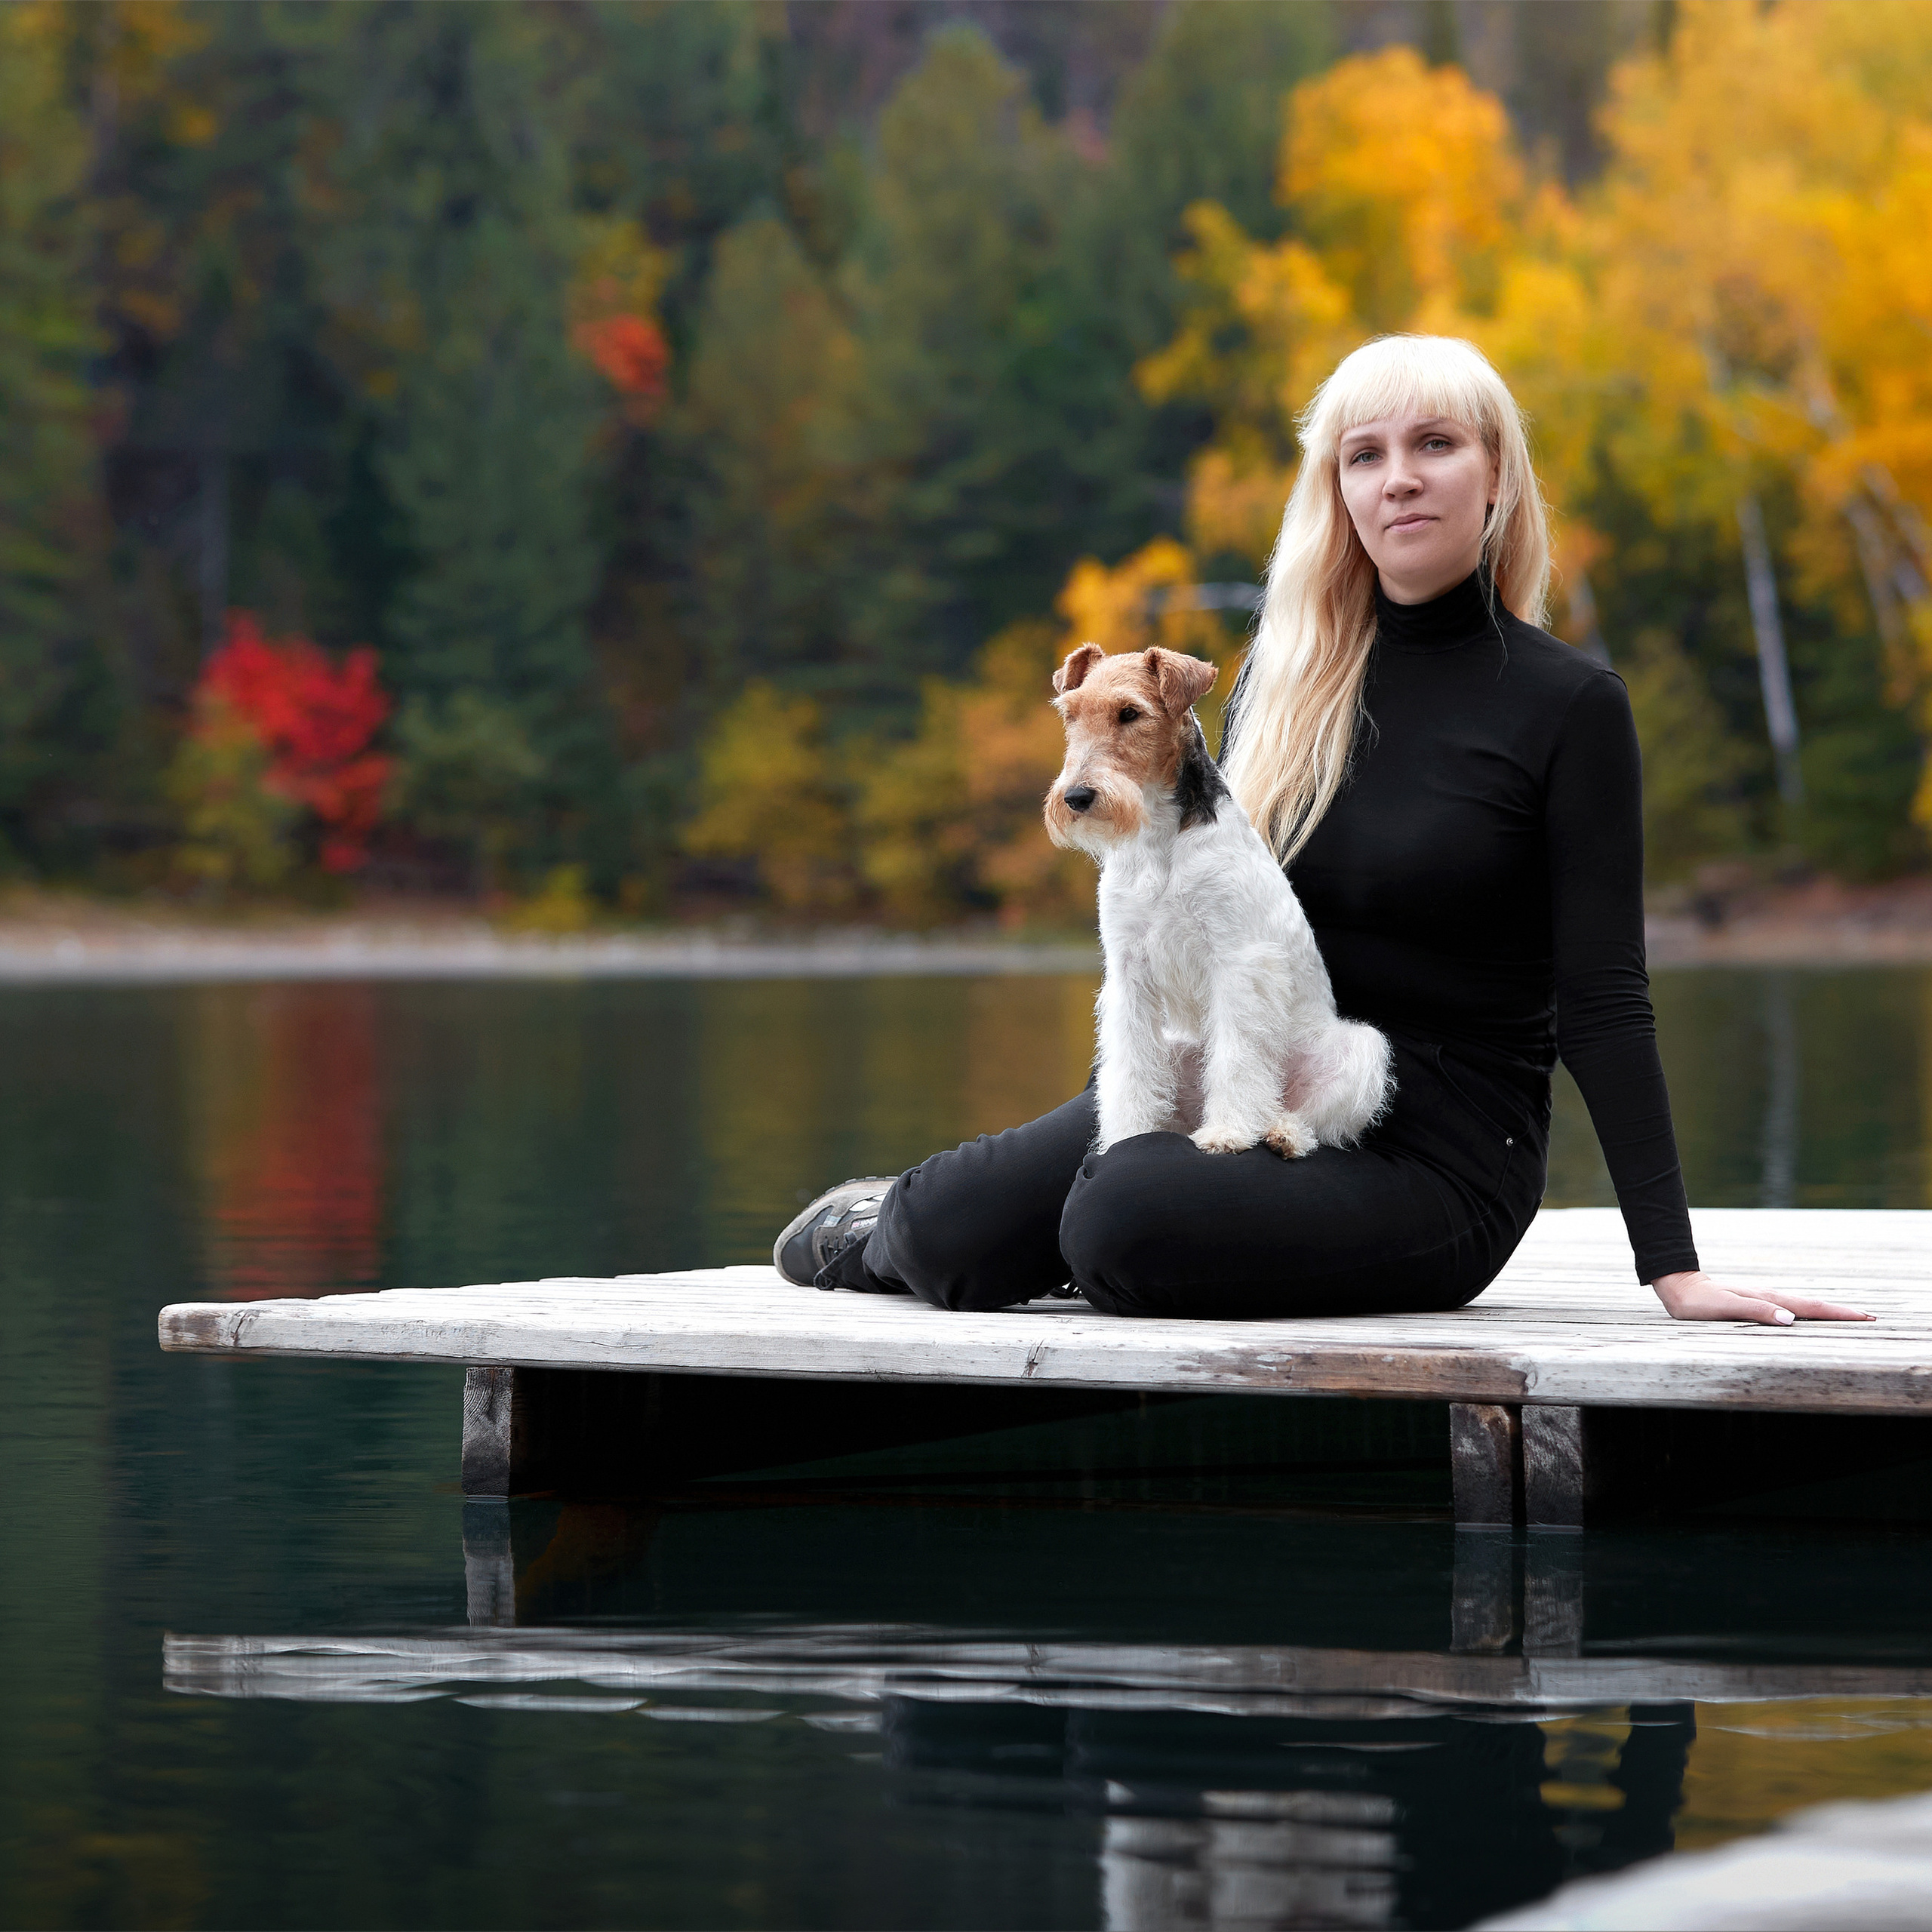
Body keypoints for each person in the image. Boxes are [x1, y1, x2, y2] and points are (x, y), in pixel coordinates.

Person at [774, 334, 1869, 1327]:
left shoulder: (1571, 705)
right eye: (1364, 455)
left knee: (1122, 1216)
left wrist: (1673, 1266)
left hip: (1436, 1151)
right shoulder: (1282, 693)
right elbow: (1180, 919)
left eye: (1435, 444)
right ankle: (895, 1223)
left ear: (1495, 473)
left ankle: (1128, 1235)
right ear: (1337, 491)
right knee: (949, 1231)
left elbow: (1605, 1000)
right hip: (1251, 1076)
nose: (1398, 477)